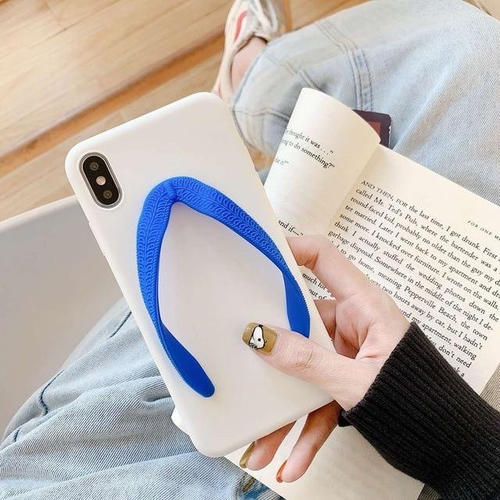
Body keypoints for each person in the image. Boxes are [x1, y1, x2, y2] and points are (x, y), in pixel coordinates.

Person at [1, 0, 500, 499]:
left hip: (111, 455)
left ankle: (252, 84)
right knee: (472, 53)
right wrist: (461, 446)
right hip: (420, 452)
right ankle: (252, 85)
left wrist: (462, 450)